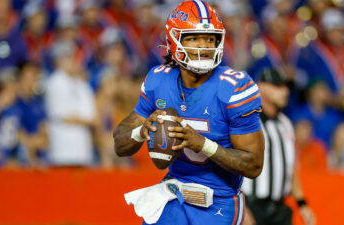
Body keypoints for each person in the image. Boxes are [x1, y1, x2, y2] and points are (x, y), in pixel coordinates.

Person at [113, 1, 265, 224]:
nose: (203, 46)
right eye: (194, 38)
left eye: (210, 39)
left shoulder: (234, 87)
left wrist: (202, 144)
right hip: (173, 194)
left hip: (218, 202)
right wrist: (140, 131)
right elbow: (119, 143)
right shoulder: (158, 79)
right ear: (174, 40)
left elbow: (254, 165)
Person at [241, 68, 315, 225]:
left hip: (279, 208)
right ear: (261, 86)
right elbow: (232, 165)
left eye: (286, 86)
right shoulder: (246, 121)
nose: (285, 91)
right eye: (278, 86)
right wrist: (242, 208)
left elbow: (291, 167)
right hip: (252, 206)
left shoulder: (285, 123)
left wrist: (302, 203)